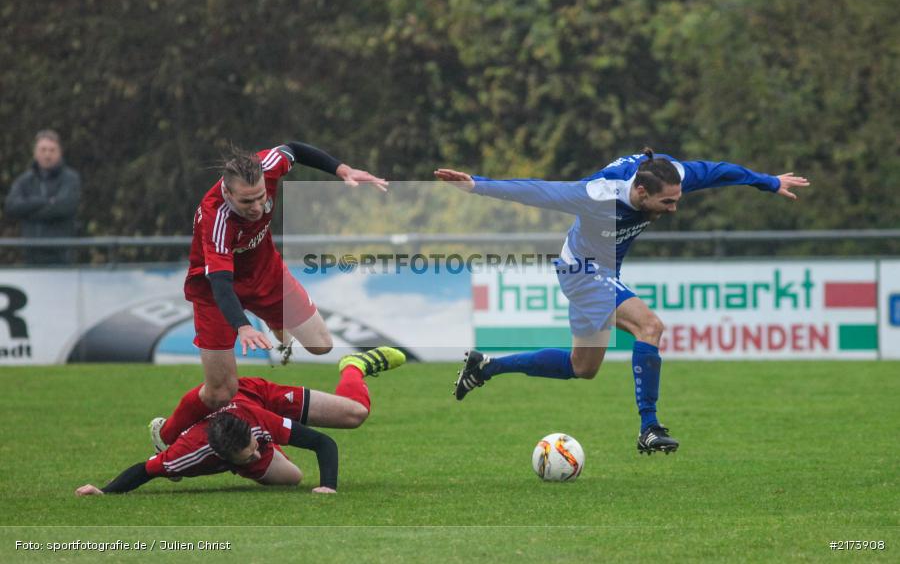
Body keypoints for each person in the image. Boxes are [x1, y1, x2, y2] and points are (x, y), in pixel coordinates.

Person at [435, 148, 809, 454]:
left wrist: (769, 182)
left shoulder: (672, 174)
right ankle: (650, 427)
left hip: (598, 270)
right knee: (650, 326)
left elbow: (719, 171)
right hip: (582, 271)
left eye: (677, 199)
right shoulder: (596, 194)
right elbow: (536, 191)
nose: (674, 208)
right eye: (667, 202)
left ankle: (486, 367)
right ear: (641, 193)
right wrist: (476, 184)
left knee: (583, 367)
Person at [151, 141, 389, 450]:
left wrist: (342, 169)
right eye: (246, 201)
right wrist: (243, 326)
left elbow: (295, 149)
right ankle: (165, 434)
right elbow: (221, 282)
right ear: (227, 193)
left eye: (261, 197)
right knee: (220, 392)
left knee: (321, 344)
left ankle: (274, 318)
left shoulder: (270, 165)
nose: (256, 207)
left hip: (266, 273)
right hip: (214, 290)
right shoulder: (216, 218)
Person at [74, 348, 404, 495]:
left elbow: (322, 442)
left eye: (255, 447)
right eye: (249, 455)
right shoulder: (189, 453)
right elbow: (144, 471)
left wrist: (329, 486)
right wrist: (103, 491)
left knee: (355, 414)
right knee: (292, 478)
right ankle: (169, 434)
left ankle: (354, 366)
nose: (256, 452)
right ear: (223, 457)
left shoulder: (257, 422)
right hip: (212, 434)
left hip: (257, 397)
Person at [4, 129, 81, 264]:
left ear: (60, 152)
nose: (47, 154)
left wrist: (27, 212)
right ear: (35, 153)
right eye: (43, 150)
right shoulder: (25, 180)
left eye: (52, 150)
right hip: (31, 255)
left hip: (62, 256)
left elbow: (63, 207)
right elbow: (11, 206)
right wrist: (44, 202)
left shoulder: (70, 179)